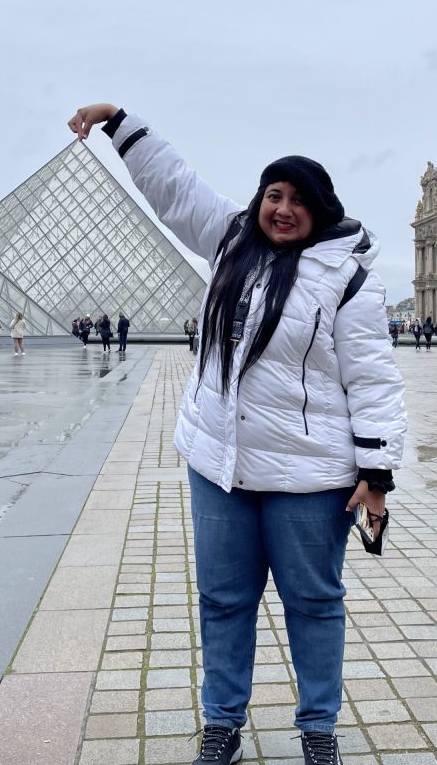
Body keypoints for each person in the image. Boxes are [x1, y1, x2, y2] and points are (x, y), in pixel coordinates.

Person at [68, 102, 408, 765]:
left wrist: (377, 474)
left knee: (313, 602)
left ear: (322, 210)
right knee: (224, 601)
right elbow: (174, 188)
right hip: (218, 464)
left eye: (298, 200)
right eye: (273, 194)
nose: (282, 208)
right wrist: (121, 124)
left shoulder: (349, 280)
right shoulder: (230, 241)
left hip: (310, 474)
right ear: (260, 200)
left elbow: (373, 380)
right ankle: (221, 722)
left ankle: (318, 730)